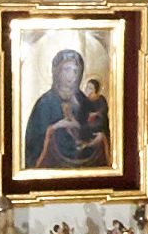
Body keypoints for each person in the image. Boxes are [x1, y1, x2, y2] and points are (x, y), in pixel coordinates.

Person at [23, 42, 110, 171]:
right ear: (57, 72)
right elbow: (34, 140)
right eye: (67, 69)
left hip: (84, 157)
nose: (71, 75)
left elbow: (95, 127)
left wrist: (98, 137)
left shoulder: (83, 100)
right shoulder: (45, 103)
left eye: (75, 71)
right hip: (52, 162)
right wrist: (55, 127)